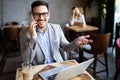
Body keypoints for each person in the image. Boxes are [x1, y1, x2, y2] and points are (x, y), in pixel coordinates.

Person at [20, 0, 93, 65]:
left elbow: (66, 48)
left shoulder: (57, 28)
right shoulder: (24, 33)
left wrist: (75, 43)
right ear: (32, 16)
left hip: (58, 66)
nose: (41, 18)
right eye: (37, 14)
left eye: (44, 14)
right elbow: (26, 60)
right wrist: (33, 37)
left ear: (49, 14)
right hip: (38, 69)